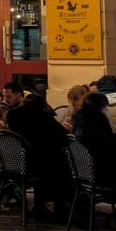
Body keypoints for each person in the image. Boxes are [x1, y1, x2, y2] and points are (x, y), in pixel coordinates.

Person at [5, 92, 69, 221]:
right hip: (38, 165)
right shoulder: (44, 117)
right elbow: (62, 135)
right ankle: (59, 210)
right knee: (63, 167)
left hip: (16, 163)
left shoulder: (12, 115)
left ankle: (40, 208)